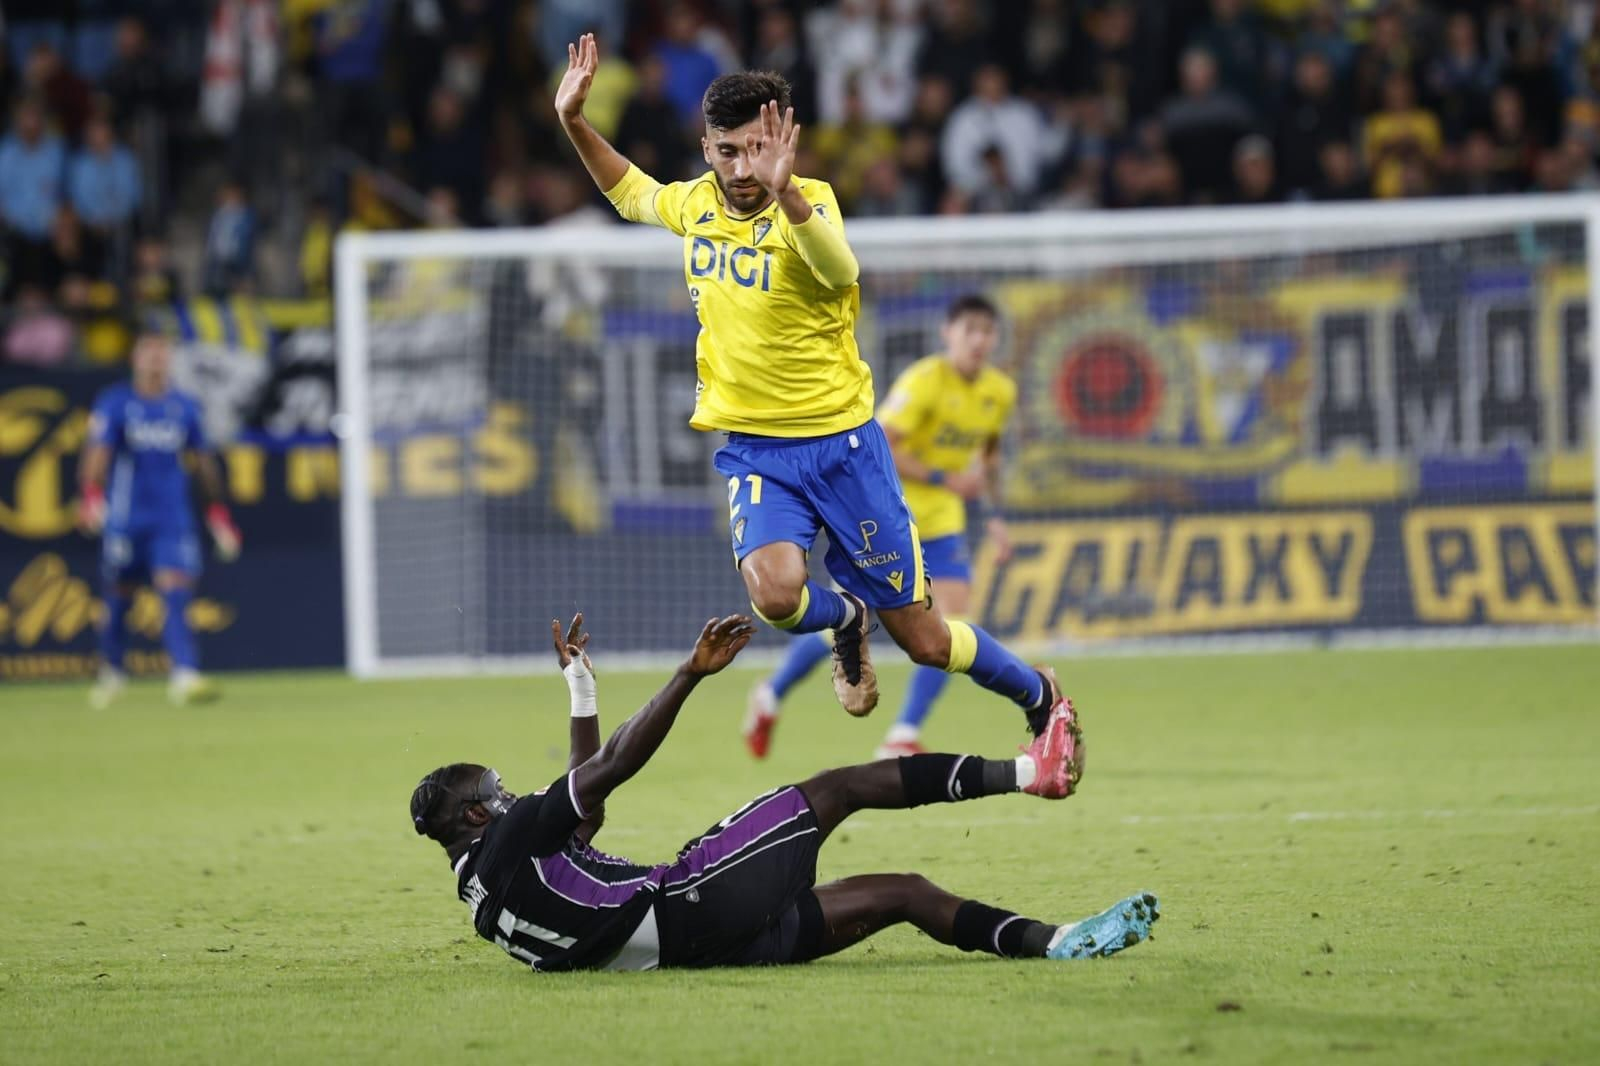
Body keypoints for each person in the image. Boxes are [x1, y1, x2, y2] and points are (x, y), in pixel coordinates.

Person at [555, 34, 1064, 739]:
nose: (742, 168)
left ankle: (1041, 696)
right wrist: (574, 122)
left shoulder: (810, 203)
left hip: (844, 447)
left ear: (784, 141)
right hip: (758, 450)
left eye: (756, 149)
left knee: (925, 640)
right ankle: (846, 619)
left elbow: (840, 270)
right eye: (727, 151)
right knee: (774, 596)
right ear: (706, 148)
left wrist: (785, 190)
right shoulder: (695, 205)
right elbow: (629, 191)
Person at [410, 612, 1157, 973]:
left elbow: (585, 809)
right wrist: (689, 675)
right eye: (495, 791)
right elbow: (609, 769)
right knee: (840, 787)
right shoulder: (511, 838)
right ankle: (1033, 771)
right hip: (697, 899)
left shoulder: (486, 897)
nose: (508, 795)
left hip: (709, 952)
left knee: (903, 892)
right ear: (475, 813)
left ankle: (1057, 942)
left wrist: (581, 692)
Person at [746, 294, 1018, 760]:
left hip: (943, 523)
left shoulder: (1000, 391)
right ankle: (771, 694)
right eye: (969, 329)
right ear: (947, 333)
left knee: (953, 622)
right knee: (850, 622)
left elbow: (988, 456)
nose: (979, 340)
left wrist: (994, 516)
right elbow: (882, 445)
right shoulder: (923, 382)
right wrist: (944, 478)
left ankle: (902, 734)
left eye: (987, 331)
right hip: (886, 517)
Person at [77, 330, 242, 708]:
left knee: (176, 590)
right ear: (135, 359)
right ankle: (112, 672)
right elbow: (97, 454)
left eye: (161, 354)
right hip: (126, 519)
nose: (155, 361)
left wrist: (218, 515)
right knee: (119, 598)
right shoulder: (116, 403)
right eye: (148, 354)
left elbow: (203, 464)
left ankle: (185, 674)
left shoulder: (184, 407)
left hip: (171, 519)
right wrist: (92, 498)